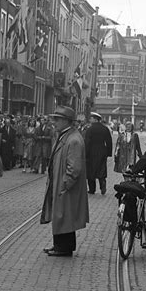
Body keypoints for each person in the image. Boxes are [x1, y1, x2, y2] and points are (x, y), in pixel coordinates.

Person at [40, 106, 88, 257]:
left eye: (57, 119)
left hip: (65, 186)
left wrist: (65, 184)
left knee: (64, 215)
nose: (54, 122)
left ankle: (63, 248)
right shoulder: (66, 135)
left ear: (67, 121)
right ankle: (59, 245)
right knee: (60, 215)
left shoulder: (73, 139)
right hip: (60, 183)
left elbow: (74, 168)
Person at [84, 112, 112, 194]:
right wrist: (108, 152)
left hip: (91, 151)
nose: (90, 120)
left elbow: (87, 142)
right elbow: (109, 141)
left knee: (91, 171)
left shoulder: (90, 129)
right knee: (101, 169)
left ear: (95, 119)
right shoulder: (105, 128)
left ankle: (92, 189)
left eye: (91, 118)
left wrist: (86, 153)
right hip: (102, 150)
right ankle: (102, 185)